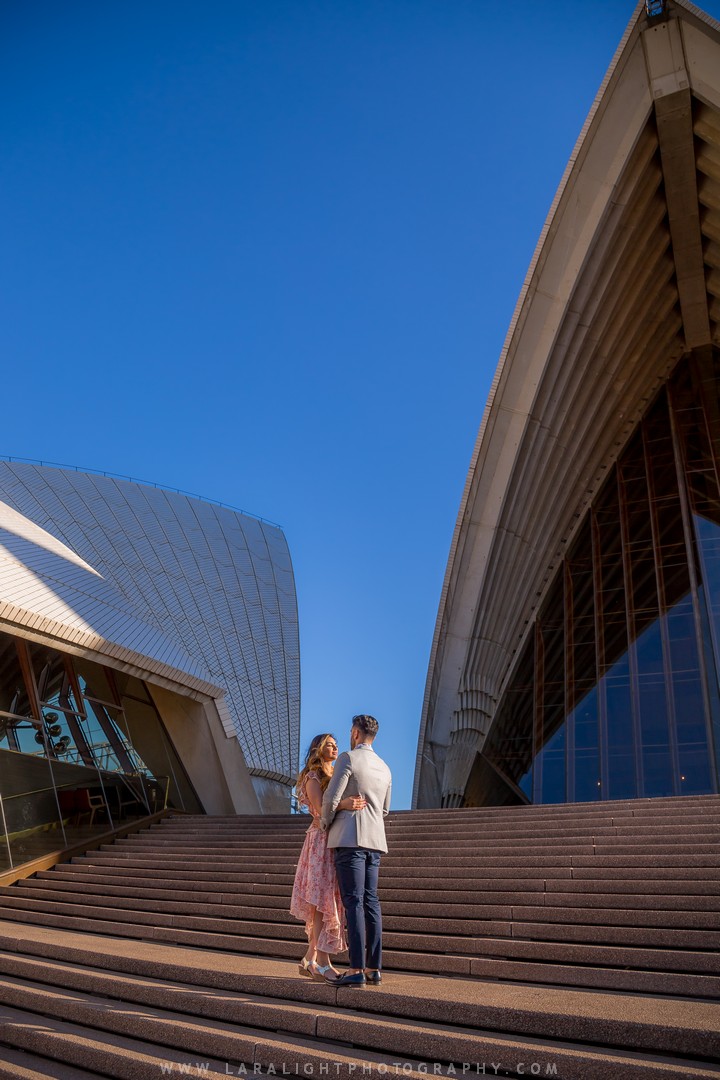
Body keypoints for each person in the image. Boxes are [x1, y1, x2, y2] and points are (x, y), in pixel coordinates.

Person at [321, 714, 392, 987]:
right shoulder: (385, 767)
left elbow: (331, 798)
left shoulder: (348, 758)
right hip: (375, 840)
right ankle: (374, 968)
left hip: (349, 838)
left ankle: (355, 969)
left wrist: (325, 824)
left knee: (353, 902)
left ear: (354, 733)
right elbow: (384, 808)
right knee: (371, 902)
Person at [290, 733, 364, 981]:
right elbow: (321, 811)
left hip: (334, 840)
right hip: (320, 841)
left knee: (327, 901)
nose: (334, 748)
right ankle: (321, 962)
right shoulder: (313, 776)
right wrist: (343, 804)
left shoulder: (335, 774)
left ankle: (310, 958)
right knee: (322, 901)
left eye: (336, 745)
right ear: (319, 748)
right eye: (329, 745)